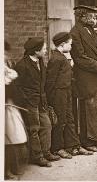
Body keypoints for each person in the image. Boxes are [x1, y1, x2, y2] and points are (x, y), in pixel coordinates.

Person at [45, 32, 95, 158]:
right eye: (70, 44)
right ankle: (57, 148)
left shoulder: (62, 57)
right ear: (62, 44)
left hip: (66, 92)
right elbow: (50, 81)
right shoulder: (56, 59)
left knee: (70, 119)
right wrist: (50, 99)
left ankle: (74, 146)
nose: (71, 47)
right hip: (58, 94)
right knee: (60, 121)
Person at [14, 37, 60, 167]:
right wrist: (26, 100)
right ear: (36, 51)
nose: (46, 51)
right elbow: (17, 86)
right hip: (30, 103)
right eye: (44, 49)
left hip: (41, 101)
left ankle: (46, 152)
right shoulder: (22, 65)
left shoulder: (40, 62)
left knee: (47, 125)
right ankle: (37, 156)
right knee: (34, 129)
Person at [70, 5, 97, 148]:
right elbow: (80, 58)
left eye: (95, 17)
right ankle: (86, 140)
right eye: (93, 17)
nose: (95, 19)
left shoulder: (93, 31)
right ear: (83, 16)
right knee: (88, 107)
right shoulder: (75, 32)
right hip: (86, 77)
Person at [5, 41, 28, 180]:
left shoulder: (7, 66)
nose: (6, 55)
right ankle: (7, 171)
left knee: (12, 137)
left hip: (9, 104)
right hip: (5, 105)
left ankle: (10, 169)